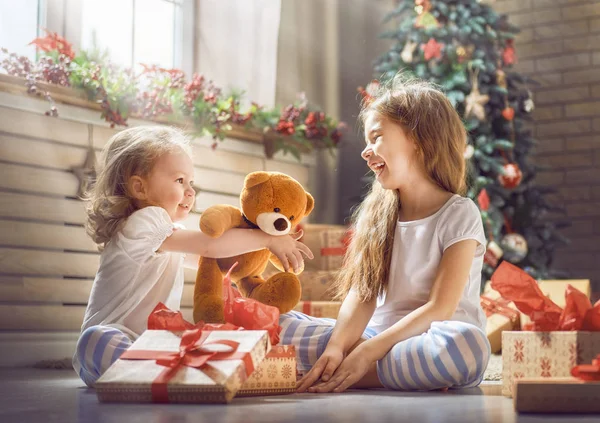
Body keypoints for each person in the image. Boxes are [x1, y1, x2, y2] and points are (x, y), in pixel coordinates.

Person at [283, 76, 490, 393]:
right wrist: (338, 347)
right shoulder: (375, 215)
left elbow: (440, 307)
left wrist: (367, 352)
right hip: (376, 337)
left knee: (466, 347)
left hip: (430, 339)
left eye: (376, 137)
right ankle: (354, 368)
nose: (366, 152)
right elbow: (362, 295)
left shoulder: (459, 213)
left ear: (419, 138)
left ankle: (354, 370)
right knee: (277, 326)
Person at [72, 125, 313, 386]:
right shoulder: (143, 222)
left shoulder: (170, 234)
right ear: (140, 188)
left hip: (157, 345)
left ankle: (174, 372)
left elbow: (216, 260)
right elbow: (209, 247)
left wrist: (256, 254)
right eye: (179, 181)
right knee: (97, 338)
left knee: (207, 335)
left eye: (191, 182)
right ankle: (185, 372)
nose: (190, 192)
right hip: (113, 343)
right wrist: (267, 238)